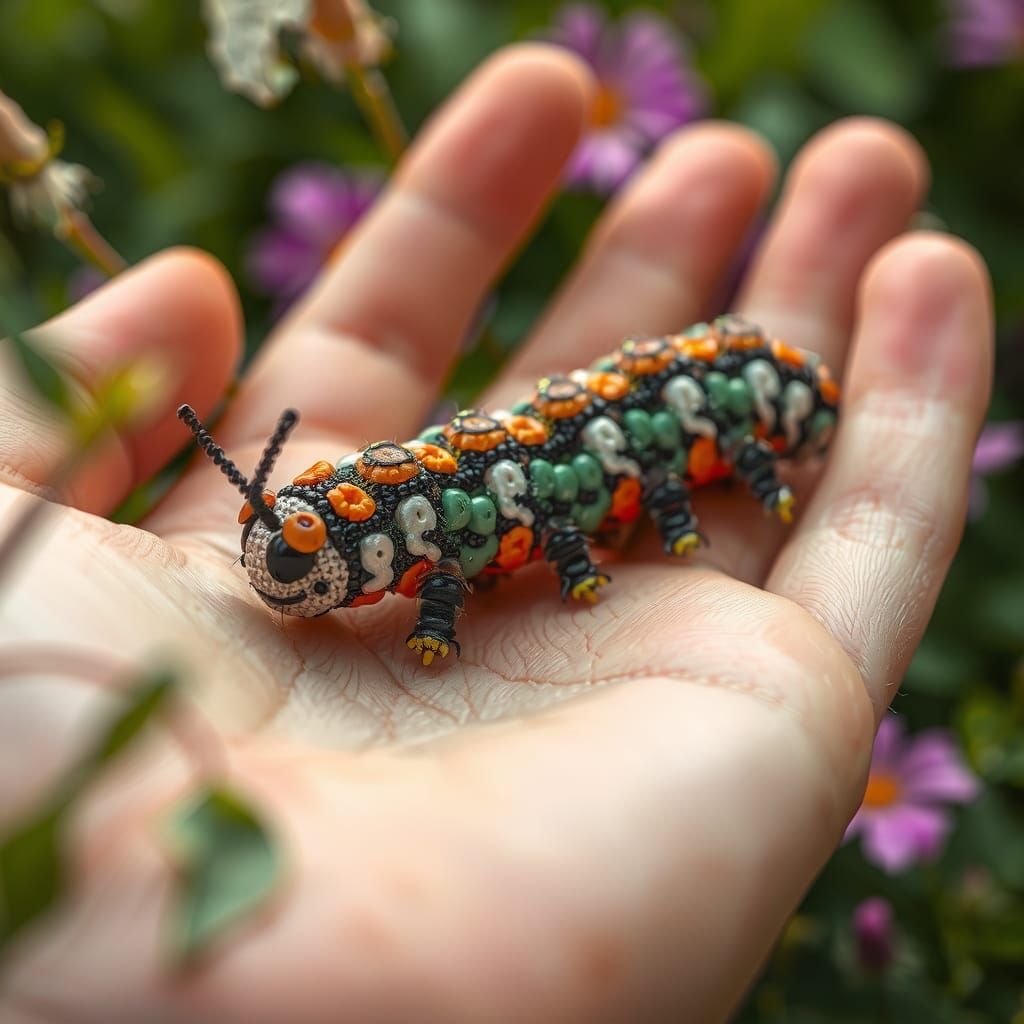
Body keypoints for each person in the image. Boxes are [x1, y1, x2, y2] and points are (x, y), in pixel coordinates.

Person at [0, 44, 992, 1021]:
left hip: (705, 397)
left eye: (302, 550)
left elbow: (523, 514)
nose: (282, 567)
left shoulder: (470, 512)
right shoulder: (401, 529)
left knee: (591, 463)